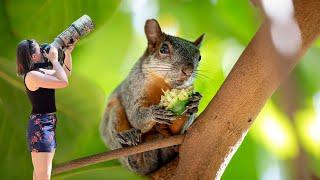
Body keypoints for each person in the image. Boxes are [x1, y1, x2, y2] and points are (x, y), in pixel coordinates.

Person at [16, 39, 73, 180]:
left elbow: (65, 74)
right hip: (41, 126)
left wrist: (67, 53)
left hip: (46, 123)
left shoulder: (40, 72)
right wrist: (54, 60)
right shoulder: (32, 76)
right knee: (43, 175)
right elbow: (63, 82)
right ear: (34, 57)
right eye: (39, 49)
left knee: (40, 175)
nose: (43, 50)